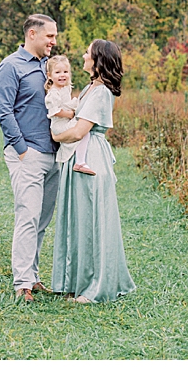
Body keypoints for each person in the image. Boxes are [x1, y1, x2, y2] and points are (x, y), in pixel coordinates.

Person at [51, 39, 136, 303]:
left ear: (97, 60)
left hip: (91, 158)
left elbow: (79, 130)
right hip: (78, 155)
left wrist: (53, 138)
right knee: (78, 220)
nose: (83, 55)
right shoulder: (89, 88)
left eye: (87, 52)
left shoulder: (101, 92)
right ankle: (77, 281)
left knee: (91, 220)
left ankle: (96, 286)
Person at [0, 14, 60, 303]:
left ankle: (33, 277)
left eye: (55, 37)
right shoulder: (10, 67)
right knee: (28, 217)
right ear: (32, 34)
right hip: (27, 154)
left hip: (53, 155)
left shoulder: (50, 67)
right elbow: (3, 111)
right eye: (50, 36)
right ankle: (22, 283)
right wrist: (22, 149)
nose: (54, 42)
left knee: (42, 221)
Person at [45, 55, 94, 176]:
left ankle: (78, 158)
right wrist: (70, 114)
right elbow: (55, 111)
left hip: (64, 121)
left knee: (83, 130)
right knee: (83, 130)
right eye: (57, 72)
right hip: (59, 124)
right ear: (49, 75)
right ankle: (80, 162)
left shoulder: (65, 88)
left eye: (65, 72)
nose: (62, 75)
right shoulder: (53, 93)